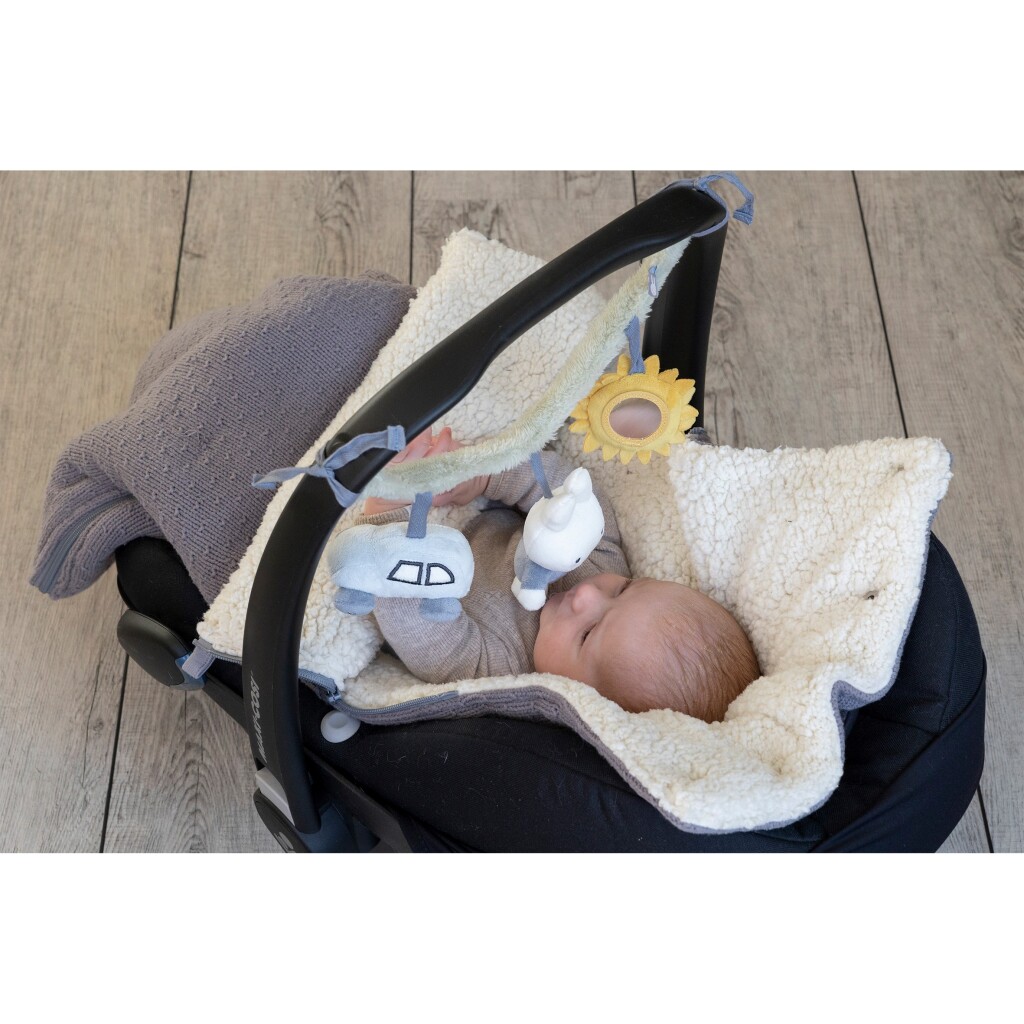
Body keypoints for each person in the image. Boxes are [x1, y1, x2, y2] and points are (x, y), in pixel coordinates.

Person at [354, 427, 760, 722]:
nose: (588, 595)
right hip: (472, 502)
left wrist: (391, 513)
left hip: (408, 539)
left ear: (577, 699)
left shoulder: (502, 671)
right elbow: (571, 497)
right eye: (624, 590)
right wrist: (487, 475)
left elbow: (421, 629)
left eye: (588, 633)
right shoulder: (598, 564)